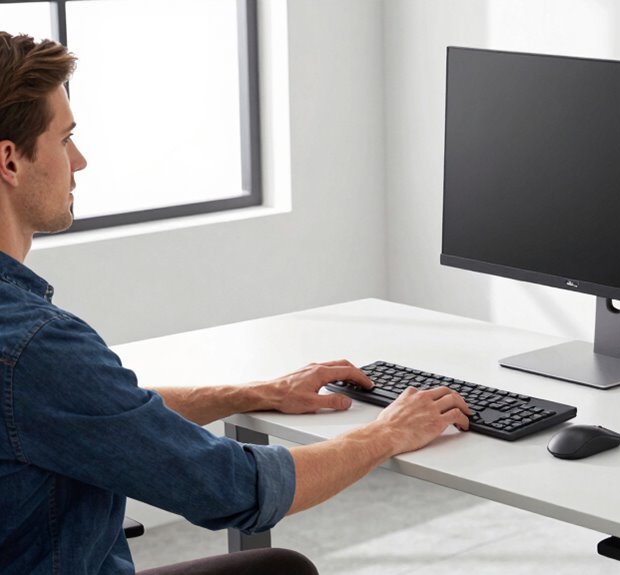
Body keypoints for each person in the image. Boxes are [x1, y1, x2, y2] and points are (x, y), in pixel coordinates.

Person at [0, 32, 472, 574]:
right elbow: (235, 489)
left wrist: (253, 393)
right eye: (66, 139)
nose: (79, 161)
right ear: (10, 160)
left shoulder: (29, 354)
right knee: (279, 569)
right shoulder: (35, 347)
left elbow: (92, 413)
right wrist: (387, 432)